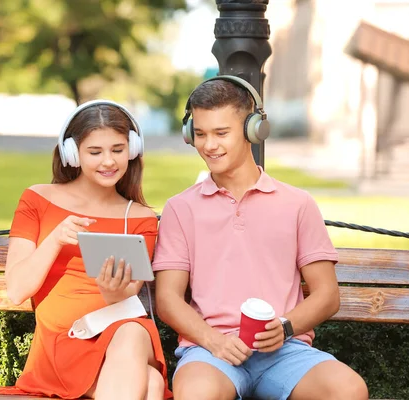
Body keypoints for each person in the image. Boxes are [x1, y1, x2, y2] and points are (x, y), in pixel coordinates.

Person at [152, 76, 369, 400]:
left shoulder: (297, 203)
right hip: (211, 352)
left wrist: (285, 327)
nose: (209, 145)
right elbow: (168, 299)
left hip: (286, 352)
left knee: (349, 390)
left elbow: (327, 295)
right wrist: (214, 341)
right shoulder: (180, 208)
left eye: (221, 133)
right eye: (200, 134)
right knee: (198, 394)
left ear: (254, 130)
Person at [0, 100, 171, 399]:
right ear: (73, 154)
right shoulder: (37, 199)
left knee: (133, 330)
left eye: (117, 150)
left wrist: (112, 290)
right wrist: (56, 239)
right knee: (150, 384)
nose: (108, 162)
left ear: (133, 149)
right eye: (95, 152)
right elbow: (18, 289)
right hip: (61, 342)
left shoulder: (140, 218)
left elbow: (127, 298)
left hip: (119, 333)